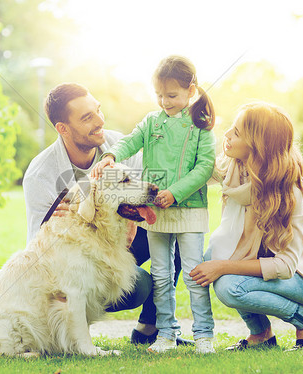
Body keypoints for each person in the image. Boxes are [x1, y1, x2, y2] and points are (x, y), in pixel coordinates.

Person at [22, 82, 189, 346]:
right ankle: (74, 328)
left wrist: (131, 218)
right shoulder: (41, 174)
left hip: (121, 238)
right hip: (77, 259)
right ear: (62, 129)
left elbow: (146, 191)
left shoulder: (117, 144)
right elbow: (37, 249)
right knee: (139, 287)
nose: (99, 121)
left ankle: (150, 329)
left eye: (97, 110)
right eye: (87, 117)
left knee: (177, 234)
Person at [189, 102, 303, 351]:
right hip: (272, 265)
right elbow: (195, 171)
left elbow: (286, 266)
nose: (227, 135)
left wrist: (223, 266)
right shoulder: (235, 167)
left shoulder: (288, 192)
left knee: (229, 286)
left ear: (258, 146)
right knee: (216, 254)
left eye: (237, 133)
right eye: (231, 128)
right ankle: (261, 335)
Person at [92, 55, 216, 354]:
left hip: (189, 212)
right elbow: (130, 141)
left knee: (192, 274)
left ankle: (204, 336)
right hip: (157, 215)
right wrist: (110, 156)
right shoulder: (151, 121)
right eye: (159, 95)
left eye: (171, 95)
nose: (165, 101)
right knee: (161, 275)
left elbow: (204, 168)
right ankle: (166, 334)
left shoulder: (200, 126)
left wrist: (175, 192)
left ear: (191, 90)